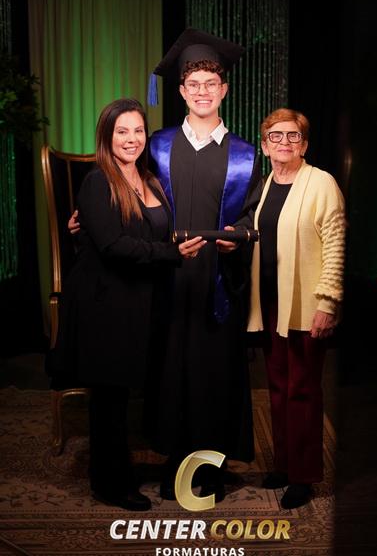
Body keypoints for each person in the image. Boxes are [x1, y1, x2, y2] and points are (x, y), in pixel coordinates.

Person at [69, 29, 261, 501]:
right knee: (171, 373)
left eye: (210, 84)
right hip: (163, 281)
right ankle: (174, 465)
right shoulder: (156, 146)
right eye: (193, 84)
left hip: (215, 282)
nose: (202, 92)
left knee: (213, 376)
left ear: (223, 90)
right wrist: (85, 221)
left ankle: (210, 471)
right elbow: (129, 201)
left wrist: (236, 241)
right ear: (180, 91)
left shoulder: (244, 155)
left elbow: (249, 215)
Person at [49, 98, 204, 511]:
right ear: (107, 136)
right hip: (106, 305)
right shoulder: (98, 181)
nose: (131, 139)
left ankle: (123, 470)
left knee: (124, 394)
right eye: (122, 131)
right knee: (109, 399)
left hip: (141, 301)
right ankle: (109, 483)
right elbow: (113, 245)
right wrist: (172, 254)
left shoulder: (149, 179)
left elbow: (149, 232)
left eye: (138, 130)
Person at [247, 108, 346, 509]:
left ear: (304, 144)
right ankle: (284, 465)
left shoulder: (321, 183)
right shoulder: (267, 184)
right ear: (264, 144)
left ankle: (303, 476)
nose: (284, 142)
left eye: (293, 136)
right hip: (272, 303)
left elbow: (336, 245)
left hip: (305, 305)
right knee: (277, 389)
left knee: (302, 390)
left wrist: (328, 301)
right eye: (275, 136)